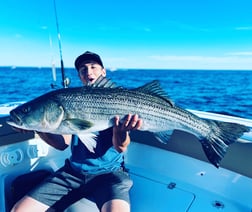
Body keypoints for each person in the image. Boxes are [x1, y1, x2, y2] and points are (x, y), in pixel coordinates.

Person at [11, 51, 142, 212]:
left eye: (93, 67)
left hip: (109, 175)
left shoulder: (117, 100)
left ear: (103, 72)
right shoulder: (70, 100)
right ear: (79, 76)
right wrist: (38, 127)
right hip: (72, 174)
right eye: (83, 69)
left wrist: (121, 131)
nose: (88, 72)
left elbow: (120, 148)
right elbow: (61, 145)